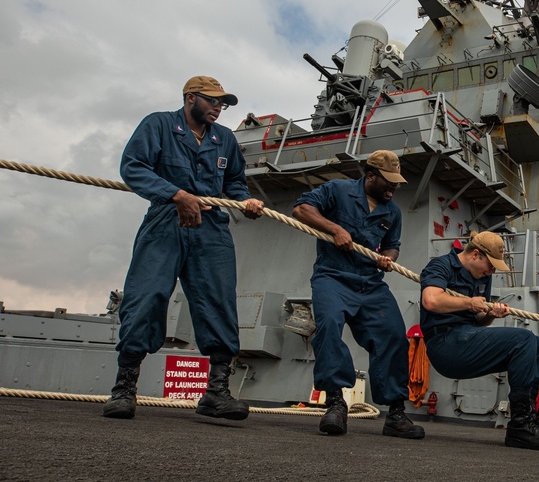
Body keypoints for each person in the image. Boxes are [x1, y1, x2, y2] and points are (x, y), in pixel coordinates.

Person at [104, 76, 265, 420]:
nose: (218, 108)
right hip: (166, 220)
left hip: (212, 228)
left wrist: (245, 199)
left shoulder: (225, 139)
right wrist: (177, 195)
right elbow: (133, 167)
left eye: (223, 103)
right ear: (190, 98)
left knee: (219, 302)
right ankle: (124, 388)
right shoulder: (159, 124)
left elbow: (234, 181)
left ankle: (216, 391)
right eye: (212, 101)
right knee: (145, 296)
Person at [292, 150, 424, 440]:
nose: (394, 187)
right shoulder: (338, 190)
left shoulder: (393, 212)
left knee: (392, 335)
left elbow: (393, 244)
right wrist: (335, 228)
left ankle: (396, 413)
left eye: (397, 182)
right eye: (388, 181)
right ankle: (336, 403)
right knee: (328, 327)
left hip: (370, 283)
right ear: (371, 175)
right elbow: (301, 210)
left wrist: (387, 258)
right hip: (333, 276)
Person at [420, 231, 539, 451]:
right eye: (490, 265)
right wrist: (470, 303)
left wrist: (491, 314)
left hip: (467, 338)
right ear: (475, 254)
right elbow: (431, 301)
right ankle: (519, 426)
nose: (492, 271)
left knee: (537, 346)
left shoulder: (483, 277)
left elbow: (480, 322)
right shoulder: (441, 266)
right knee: (523, 339)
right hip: (445, 345)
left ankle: (528, 417)